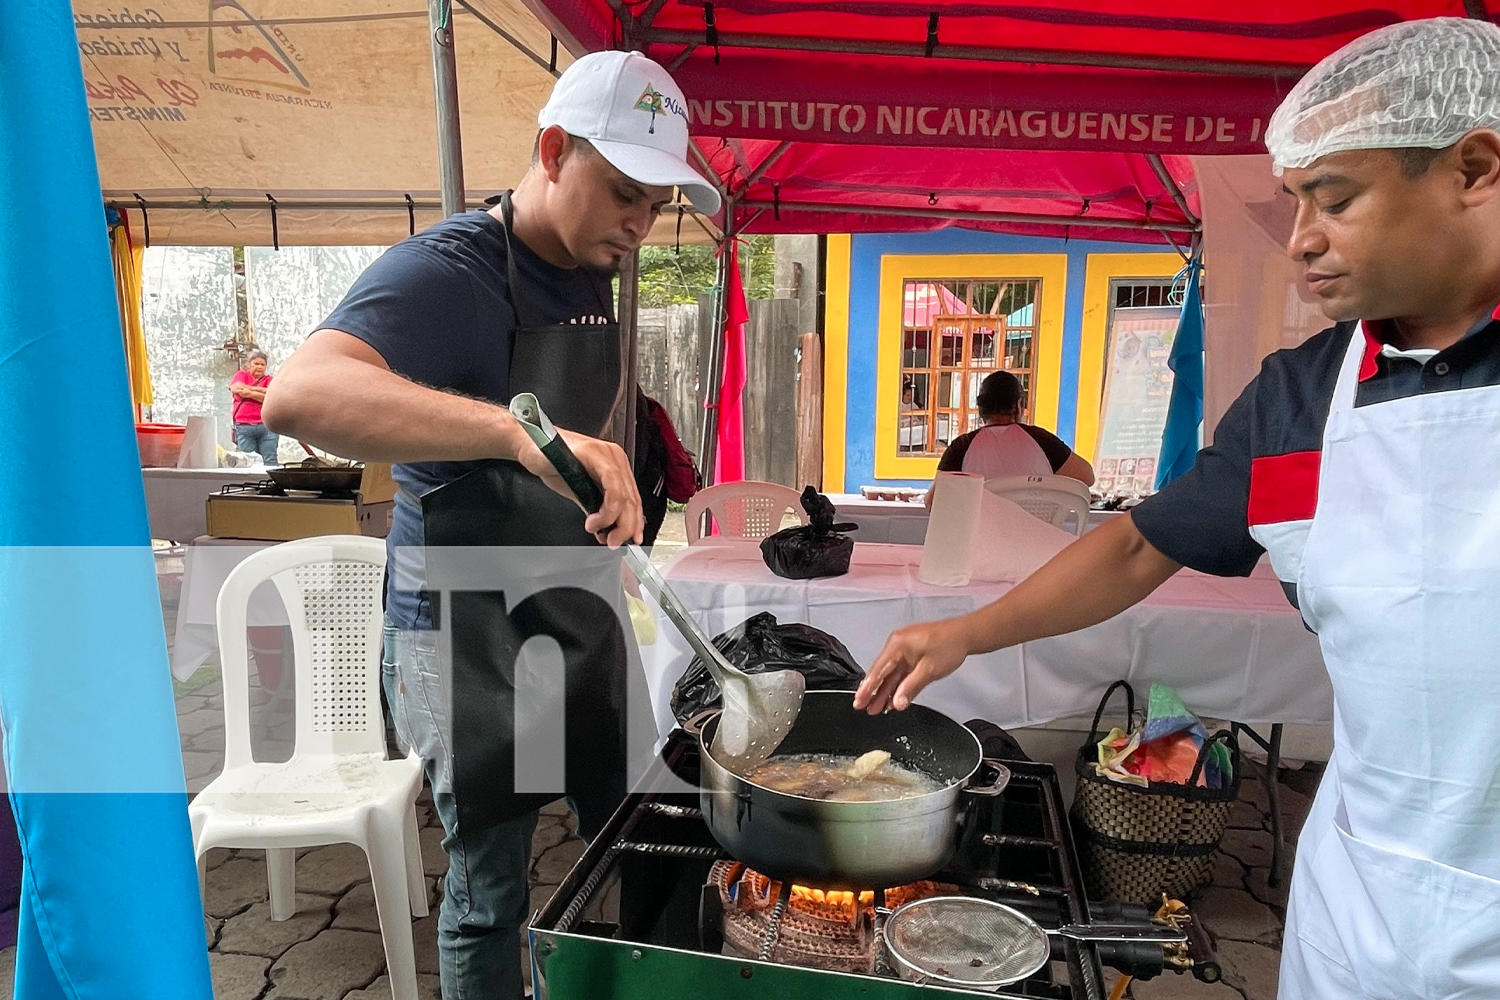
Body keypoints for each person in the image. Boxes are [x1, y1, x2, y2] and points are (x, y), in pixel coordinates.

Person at [855, 18, 1500, 998]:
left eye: (1336, 198)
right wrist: (967, 634)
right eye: (1296, 204)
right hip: (1358, 904)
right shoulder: (1294, 403)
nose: (1301, 240)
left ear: (1475, 168)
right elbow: (1136, 548)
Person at [262, 50, 719, 1000]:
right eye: (625, 194)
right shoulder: (448, 272)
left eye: (657, 205)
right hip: (462, 629)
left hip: (573, 606)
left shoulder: (592, 265)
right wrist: (512, 436)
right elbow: (298, 396)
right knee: (489, 894)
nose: (640, 225)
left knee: (641, 836)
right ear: (554, 150)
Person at [934, 371, 1094, 488]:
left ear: (981, 408)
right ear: (1018, 405)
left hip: (981, 533)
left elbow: (933, 502)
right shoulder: (1041, 440)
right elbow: (1087, 477)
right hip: (1035, 533)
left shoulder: (962, 447)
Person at [633, 387, 699, 547]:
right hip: (649, 492)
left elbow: (638, 460)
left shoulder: (632, 404)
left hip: (647, 493)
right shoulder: (636, 401)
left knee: (631, 564)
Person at [229, 349, 279, 465]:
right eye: (256, 364)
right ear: (249, 365)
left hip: (267, 426)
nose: (259, 367)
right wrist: (263, 392)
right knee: (248, 460)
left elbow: (272, 397)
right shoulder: (241, 375)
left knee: (270, 459)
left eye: (262, 364)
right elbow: (236, 388)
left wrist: (249, 392)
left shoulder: (270, 380)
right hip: (244, 426)